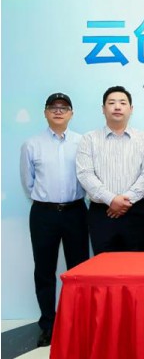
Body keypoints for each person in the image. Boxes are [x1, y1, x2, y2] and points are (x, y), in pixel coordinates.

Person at [20, 93, 89, 347]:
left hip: (75, 211)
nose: (58, 111)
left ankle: (79, 322)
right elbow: (28, 183)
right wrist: (45, 201)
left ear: (71, 113)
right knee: (44, 270)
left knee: (79, 270)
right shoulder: (31, 144)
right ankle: (48, 324)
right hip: (43, 213)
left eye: (64, 107)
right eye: (53, 107)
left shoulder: (82, 142)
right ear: (45, 112)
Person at [76, 86, 144, 254]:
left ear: (131, 109)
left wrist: (125, 200)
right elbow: (85, 174)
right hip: (102, 213)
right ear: (103, 109)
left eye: (123, 103)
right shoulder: (89, 139)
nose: (117, 107)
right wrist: (111, 199)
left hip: (136, 212)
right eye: (111, 103)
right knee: (104, 265)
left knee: (137, 266)